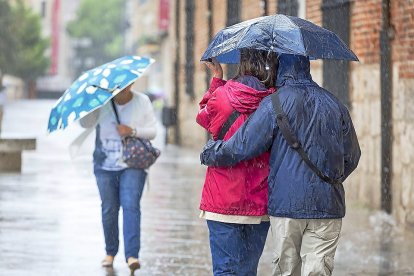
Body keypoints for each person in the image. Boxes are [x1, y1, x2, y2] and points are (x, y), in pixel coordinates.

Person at [201, 54, 361, 276]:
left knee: (286, 270)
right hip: (328, 205)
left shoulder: (275, 102)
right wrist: (325, 182)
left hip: (287, 204)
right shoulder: (335, 103)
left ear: (278, 69)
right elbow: (352, 156)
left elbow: (243, 145)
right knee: (318, 271)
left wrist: (211, 152)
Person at [196, 49, 278, 275]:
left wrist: (216, 80)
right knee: (247, 270)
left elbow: (203, 117)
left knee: (224, 270)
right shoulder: (274, 102)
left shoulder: (222, 96)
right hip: (258, 200)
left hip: (222, 199)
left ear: (242, 63)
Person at [79, 83, 157, 274]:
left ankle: (132, 256)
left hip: (132, 164)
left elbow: (153, 131)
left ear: (131, 83)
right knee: (109, 209)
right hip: (104, 165)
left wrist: (132, 131)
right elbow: (85, 124)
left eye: (127, 84)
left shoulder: (142, 101)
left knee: (131, 206)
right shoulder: (101, 103)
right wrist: (93, 105)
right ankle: (110, 253)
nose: (123, 88)